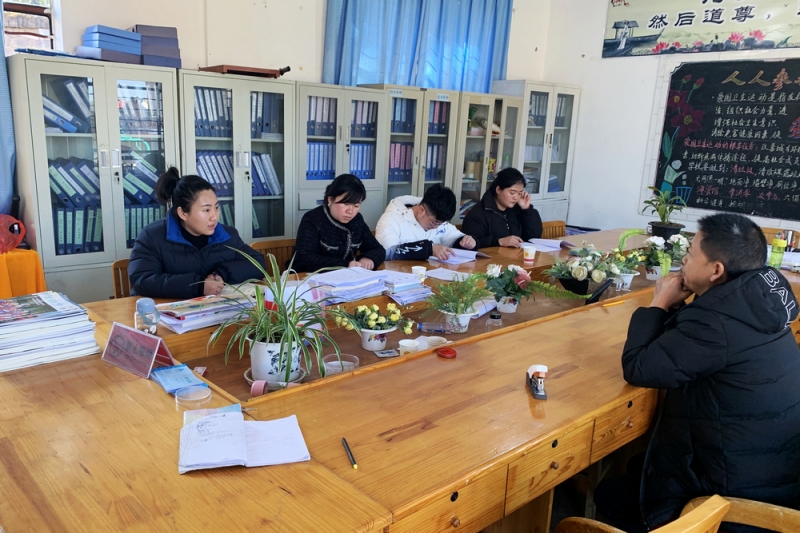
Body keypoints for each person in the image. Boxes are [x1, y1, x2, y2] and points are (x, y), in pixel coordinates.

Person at [594, 213, 800, 533]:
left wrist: (659, 303)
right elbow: (685, 349)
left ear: (716, 270)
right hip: (773, 470)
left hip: (735, 493)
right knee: (637, 464)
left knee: (610, 495)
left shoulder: (714, 321)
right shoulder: (756, 300)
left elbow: (639, 368)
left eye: (689, 255)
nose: (683, 263)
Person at [128, 167, 266, 299]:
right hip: (165, 311)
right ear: (183, 213)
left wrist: (221, 274)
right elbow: (141, 279)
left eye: (216, 207)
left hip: (215, 309)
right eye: (206, 210)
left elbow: (258, 263)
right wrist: (199, 286)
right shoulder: (152, 236)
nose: (214, 217)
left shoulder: (227, 235)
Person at [292, 174, 385, 272]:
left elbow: (377, 249)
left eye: (356, 206)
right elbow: (303, 258)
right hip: (308, 277)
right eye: (346, 204)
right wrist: (345, 264)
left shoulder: (357, 220)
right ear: (330, 200)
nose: (350, 211)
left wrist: (369, 258)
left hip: (346, 277)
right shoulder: (312, 219)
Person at [375, 184, 477, 261]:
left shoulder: (437, 217)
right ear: (421, 210)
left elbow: (454, 236)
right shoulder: (391, 219)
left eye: (440, 224)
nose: (436, 227)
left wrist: (467, 241)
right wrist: (429, 249)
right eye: (434, 222)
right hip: (399, 276)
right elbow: (388, 253)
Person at [461, 168, 543, 248]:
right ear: (498, 190)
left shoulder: (518, 209)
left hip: (516, 255)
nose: (516, 197)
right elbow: (471, 244)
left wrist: (527, 209)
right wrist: (499, 242)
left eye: (519, 193)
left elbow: (534, 237)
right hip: (491, 257)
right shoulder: (478, 213)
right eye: (512, 193)